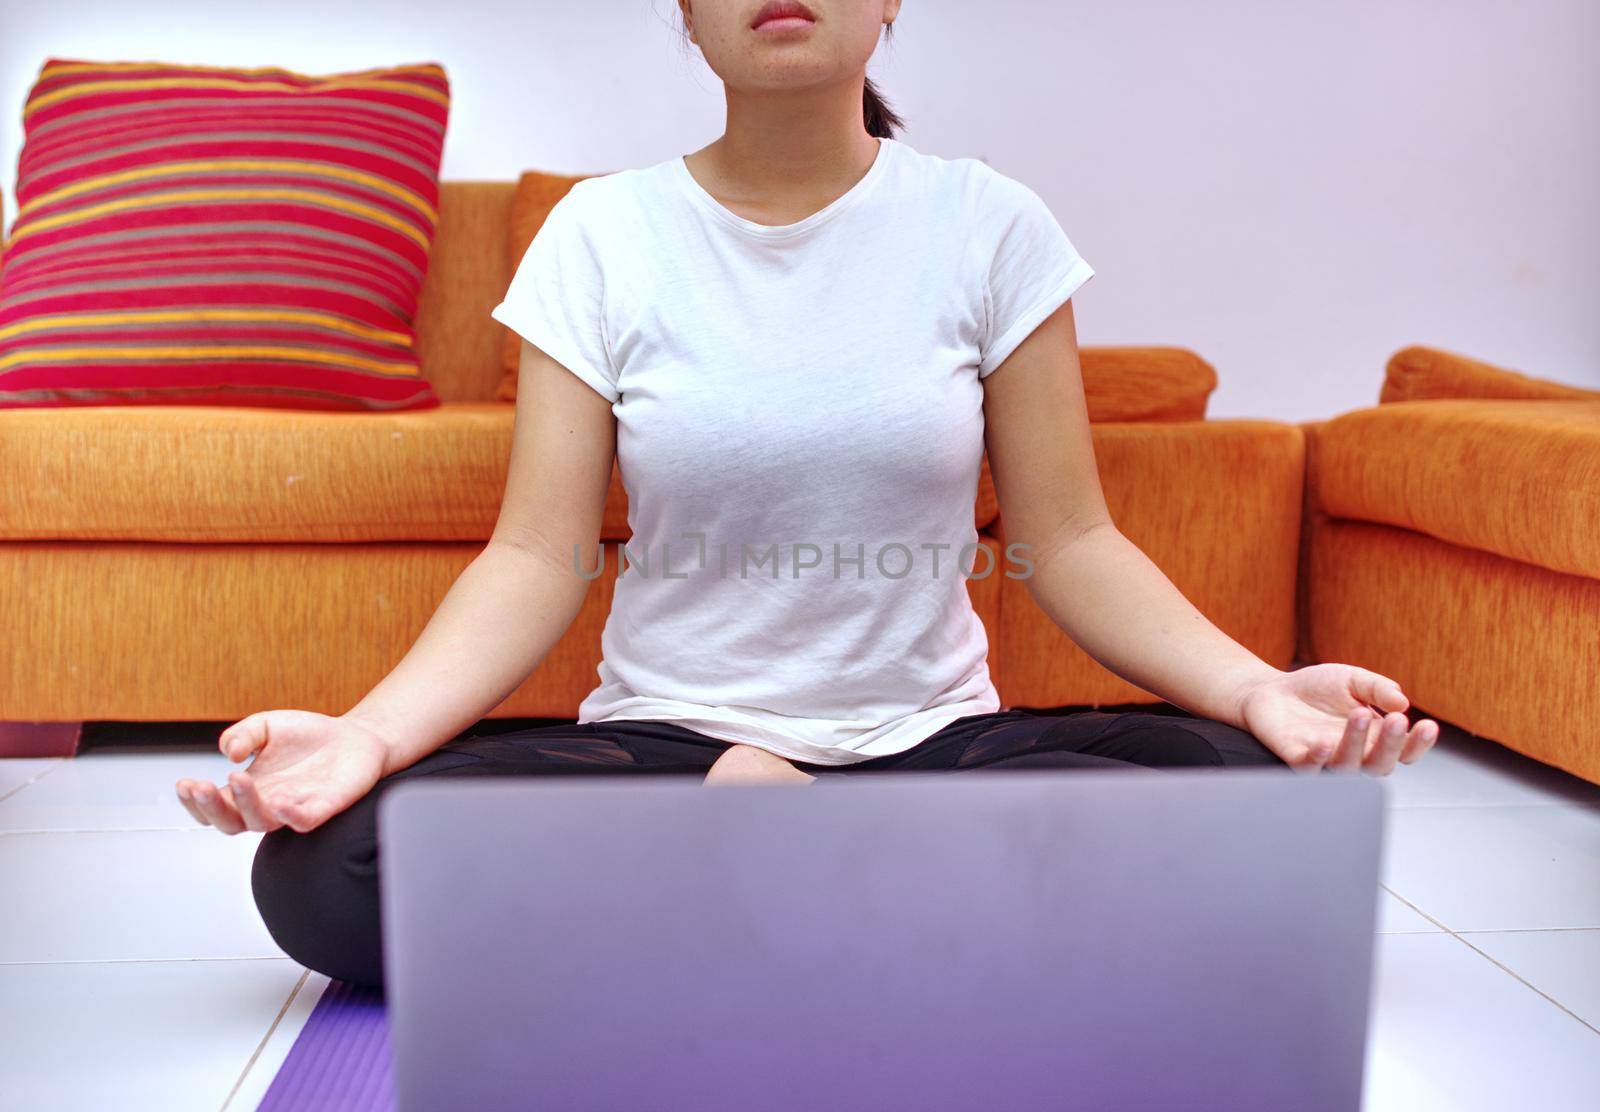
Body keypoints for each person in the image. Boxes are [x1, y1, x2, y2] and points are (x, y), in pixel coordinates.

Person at [175, 0, 1438, 989]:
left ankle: (752, 888)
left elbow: (1072, 538)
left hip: (929, 752)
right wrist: (371, 736)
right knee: (320, 874)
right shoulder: (601, 235)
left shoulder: (987, 223)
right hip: (676, 751)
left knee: (1252, 796)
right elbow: (530, 555)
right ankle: (867, 894)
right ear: (685, 11)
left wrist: (1257, 686)